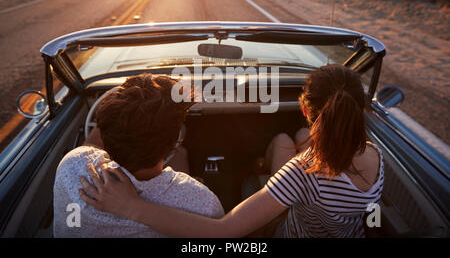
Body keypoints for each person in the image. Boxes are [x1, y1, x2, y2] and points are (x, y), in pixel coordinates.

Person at [79, 64, 383, 238]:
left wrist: (131, 207)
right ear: (359, 110)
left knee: (279, 146)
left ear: (304, 108)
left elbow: (225, 232)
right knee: (295, 138)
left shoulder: (301, 173)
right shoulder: (375, 155)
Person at [53, 74, 224, 238]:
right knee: (182, 155)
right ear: (174, 141)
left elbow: (90, 148)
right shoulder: (202, 204)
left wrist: (118, 118)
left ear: (105, 130)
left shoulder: (71, 167)